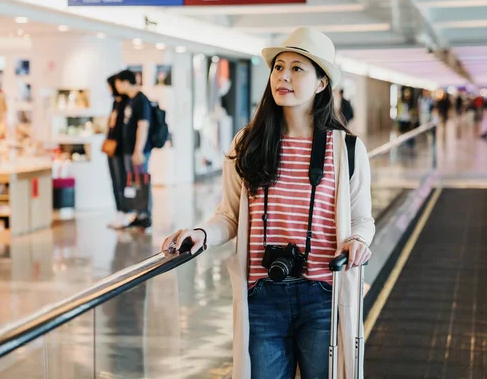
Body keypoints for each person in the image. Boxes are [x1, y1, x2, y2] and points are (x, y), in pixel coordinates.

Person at [161, 27, 375, 378]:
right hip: (261, 295)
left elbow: (361, 219)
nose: (284, 76)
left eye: (297, 69)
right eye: (279, 67)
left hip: (322, 295)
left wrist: (358, 241)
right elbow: (228, 216)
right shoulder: (248, 143)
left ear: (322, 83)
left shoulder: (346, 149)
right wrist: (201, 233)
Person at [114, 69, 153, 229]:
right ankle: (138, 213)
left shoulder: (141, 100)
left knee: (141, 181)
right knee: (134, 183)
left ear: (124, 82)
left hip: (137, 150)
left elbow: (143, 126)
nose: (117, 87)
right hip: (129, 150)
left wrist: (138, 150)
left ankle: (144, 214)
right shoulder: (129, 100)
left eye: (118, 83)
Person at [106, 74, 135, 229]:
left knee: (123, 181)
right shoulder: (115, 103)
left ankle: (126, 211)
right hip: (112, 148)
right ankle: (119, 212)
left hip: (122, 149)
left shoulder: (126, 102)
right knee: (115, 181)